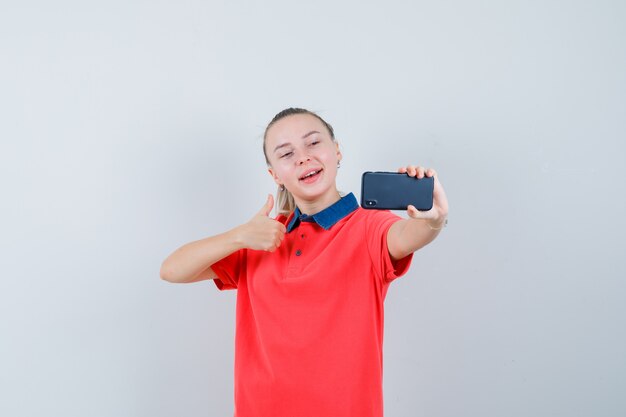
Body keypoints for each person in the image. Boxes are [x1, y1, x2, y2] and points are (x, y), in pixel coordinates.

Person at [160, 108, 449, 417]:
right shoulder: (261, 237)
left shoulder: (369, 227)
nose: (302, 157)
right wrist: (239, 236)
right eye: (286, 153)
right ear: (275, 176)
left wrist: (433, 220)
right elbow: (172, 270)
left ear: (337, 151)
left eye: (313, 143)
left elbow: (407, 235)